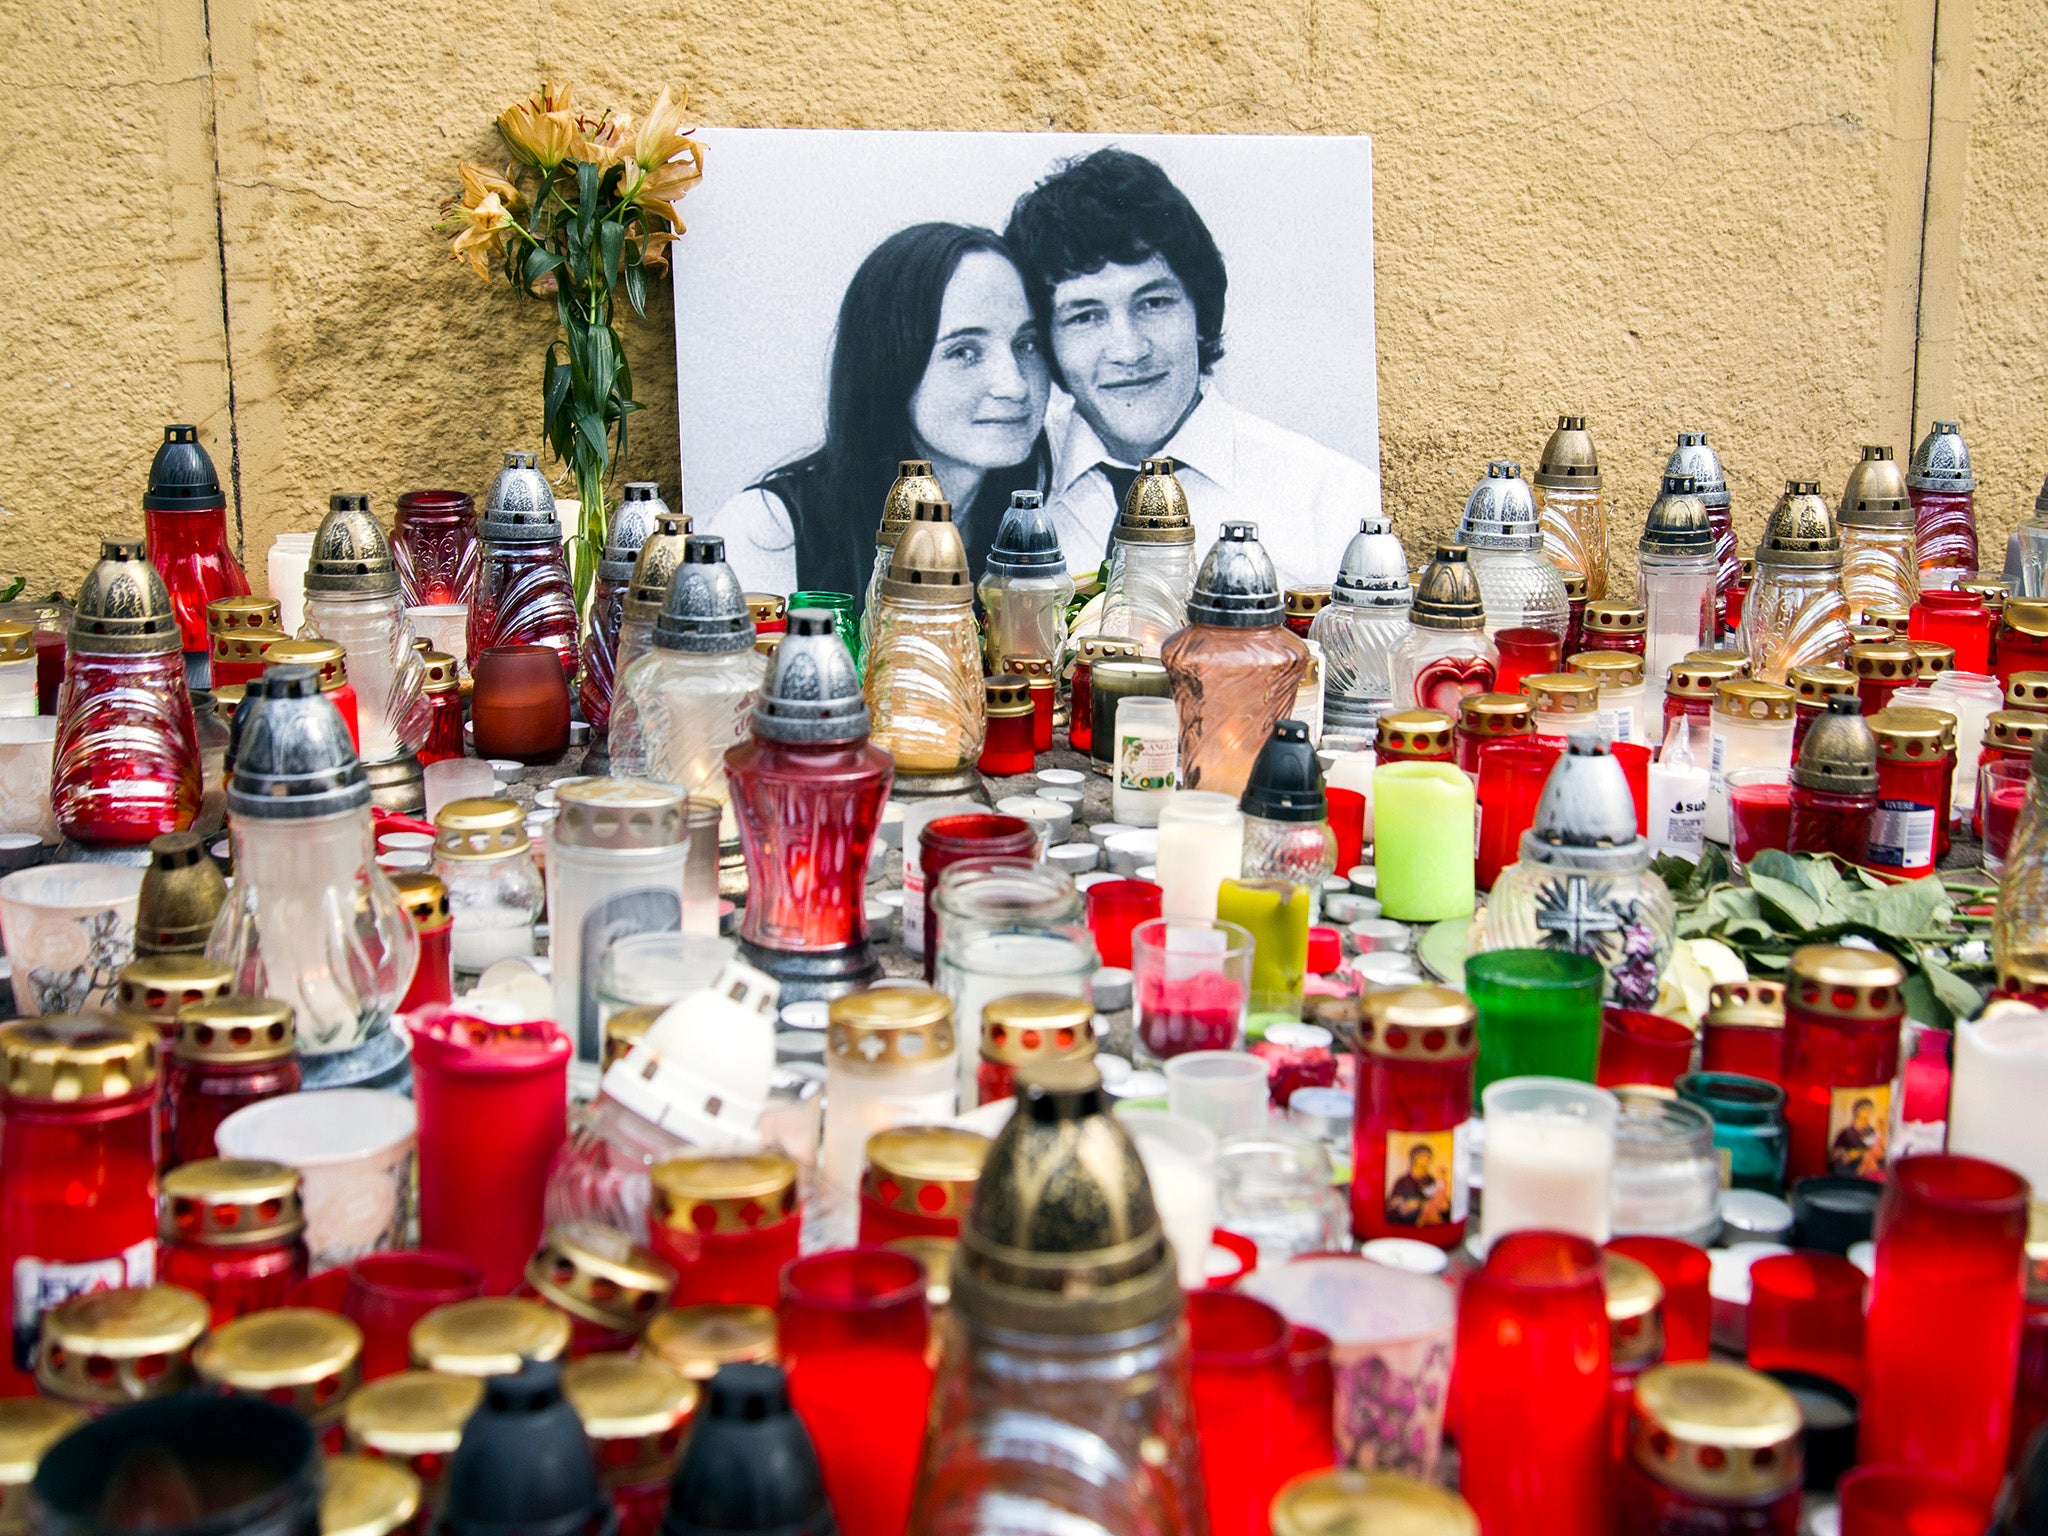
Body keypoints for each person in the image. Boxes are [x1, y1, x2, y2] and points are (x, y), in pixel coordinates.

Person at [1004, 148, 1373, 589]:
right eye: (1085, 316)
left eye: (1154, 302)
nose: (1128, 349)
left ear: (1200, 310)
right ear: (1048, 341)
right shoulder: (998, 487)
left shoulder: (1336, 504)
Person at [701, 222, 1051, 606]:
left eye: (1027, 343)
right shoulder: (769, 530)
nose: (1014, 385)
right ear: (889, 365)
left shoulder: (1039, 513)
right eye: (963, 352)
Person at [1386, 1141, 1449, 1228]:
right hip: (1404, 1225)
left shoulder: (1432, 1180)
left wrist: (1421, 1204)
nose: (1425, 1161)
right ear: (1414, 1159)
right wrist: (1401, 1203)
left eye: (1428, 1158)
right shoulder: (1402, 1181)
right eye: (1422, 1157)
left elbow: (1440, 1201)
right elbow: (1391, 1204)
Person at [1828, 1096, 1886, 1179]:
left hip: (1869, 1172)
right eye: (1865, 1109)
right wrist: (1848, 1154)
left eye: (1870, 1110)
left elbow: (1878, 1151)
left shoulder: (1872, 1131)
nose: (1868, 1112)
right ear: (1857, 1110)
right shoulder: (1845, 1133)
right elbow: (1833, 1155)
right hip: (1849, 1171)